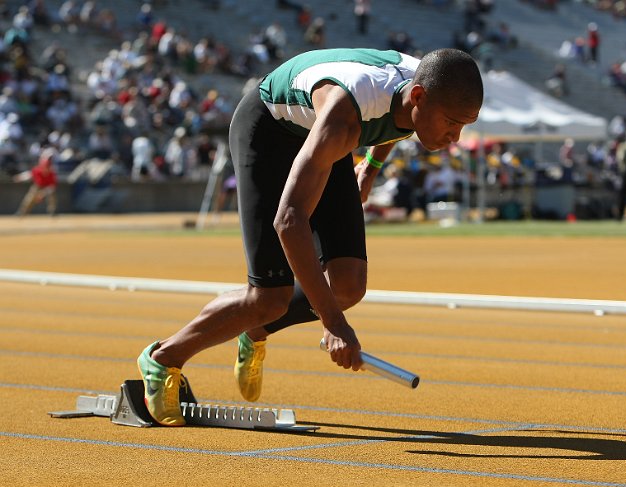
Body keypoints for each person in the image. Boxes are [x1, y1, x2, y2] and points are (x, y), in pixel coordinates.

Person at [136, 47, 484, 426]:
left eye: (465, 126)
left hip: (323, 139)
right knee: (268, 298)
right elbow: (288, 220)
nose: (455, 137)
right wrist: (333, 324)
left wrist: (371, 165)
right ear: (418, 96)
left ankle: (256, 327)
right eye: (452, 123)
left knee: (347, 286)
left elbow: (398, 119)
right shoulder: (346, 116)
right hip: (269, 131)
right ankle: (163, 358)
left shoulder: (423, 87)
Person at [15, 148, 58, 216]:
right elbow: (28, 175)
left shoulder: (52, 173)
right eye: (44, 166)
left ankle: (52, 212)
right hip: (38, 186)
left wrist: (42, 194)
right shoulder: (37, 170)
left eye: (47, 167)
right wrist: (20, 177)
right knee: (29, 198)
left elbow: (52, 188)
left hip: (47, 189)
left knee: (51, 196)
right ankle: (22, 212)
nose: (46, 168)